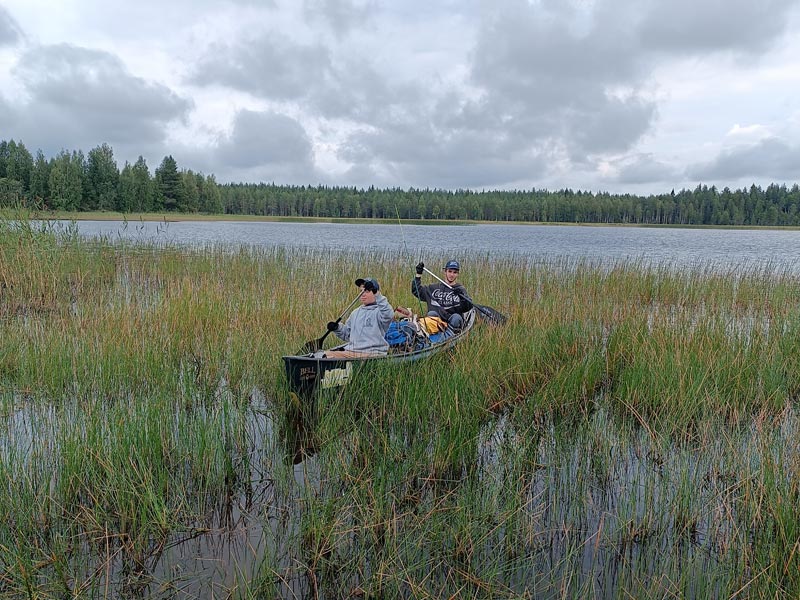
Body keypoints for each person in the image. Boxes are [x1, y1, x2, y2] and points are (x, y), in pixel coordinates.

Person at [324, 277, 394, 358]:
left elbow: (388, 315)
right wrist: (337, 328)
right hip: (351, 352)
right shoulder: (355, 313)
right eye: (361, 291)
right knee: (323, 355)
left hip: (372, 353)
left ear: (375, 292)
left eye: (367, 291)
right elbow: (347, 335)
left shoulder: (380, 311)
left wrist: (377, 293)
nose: (362, 294)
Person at [412, 260, 473, 335]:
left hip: (453, 321)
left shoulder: (460, 289)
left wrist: (462, 297)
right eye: (450, 271)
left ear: (457, 274)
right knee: (431, 313)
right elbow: (416, 291)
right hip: (437, 322)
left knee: (456, 317)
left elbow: (468, 306)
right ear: (445, 272)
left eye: (455, 272)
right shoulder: (433, 288)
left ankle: (448, 337)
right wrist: (418, 274)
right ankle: (432, 336)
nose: (452, 275)